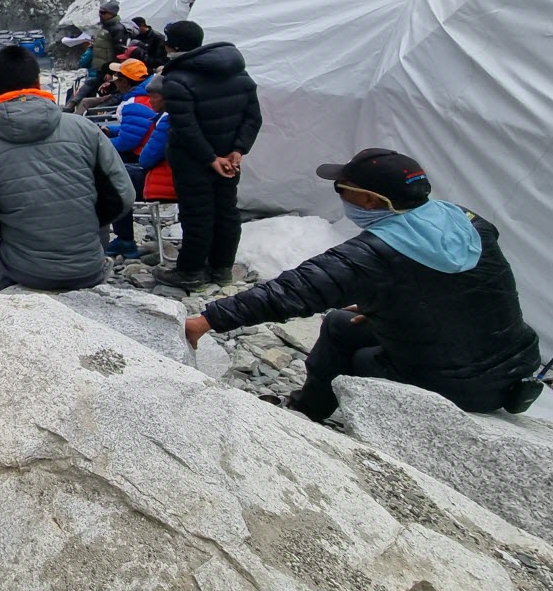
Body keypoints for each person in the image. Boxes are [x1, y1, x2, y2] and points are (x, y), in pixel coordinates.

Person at [184, 149, 543, 422]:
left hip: (456, 384)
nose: (339, 194)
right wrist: (386, 301)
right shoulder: (463, 219)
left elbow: (292, 291)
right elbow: (459, 286)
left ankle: (309, 415)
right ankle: (310, 406)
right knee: (342, 322)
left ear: (371, 201)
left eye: (343, 189)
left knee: (360, 358)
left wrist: (205, 321)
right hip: (514, 361)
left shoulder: (375, 253)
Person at [0, 45, 133, 290]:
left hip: (24, 272)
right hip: (88, 266)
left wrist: (3, 250)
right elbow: (123, 195)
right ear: (38, 82)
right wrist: (91, 228)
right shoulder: (84, 129)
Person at [159, 20, 262, 289]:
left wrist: (209, 159)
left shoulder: (177, 80)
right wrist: (237, 151)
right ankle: (222, 268)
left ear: (173, 45)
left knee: (197, 213)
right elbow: (253, 118)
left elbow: (186, 127)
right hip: (229, 158)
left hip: (195, 159)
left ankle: (190, 271)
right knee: (227, 211)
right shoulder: (239, 73)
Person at [102, 59, 157, 259]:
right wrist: (112, 131)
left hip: (143, 162)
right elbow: (140, 129)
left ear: (126, 81)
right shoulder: (148, 97)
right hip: (148, 158)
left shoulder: (134, 103)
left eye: (118, 77)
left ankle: (124, 239)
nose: (115, 81)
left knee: (113, 181)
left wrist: (99, 145)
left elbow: (128, 142)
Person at [87, 0, 129, 89]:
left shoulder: (117, 29)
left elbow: (119, 52)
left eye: (103, 12)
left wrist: (111, 72)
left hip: (108, 69)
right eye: (99, 12)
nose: (100, 14)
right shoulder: (105, 26)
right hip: (101, 68)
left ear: (111, 13)